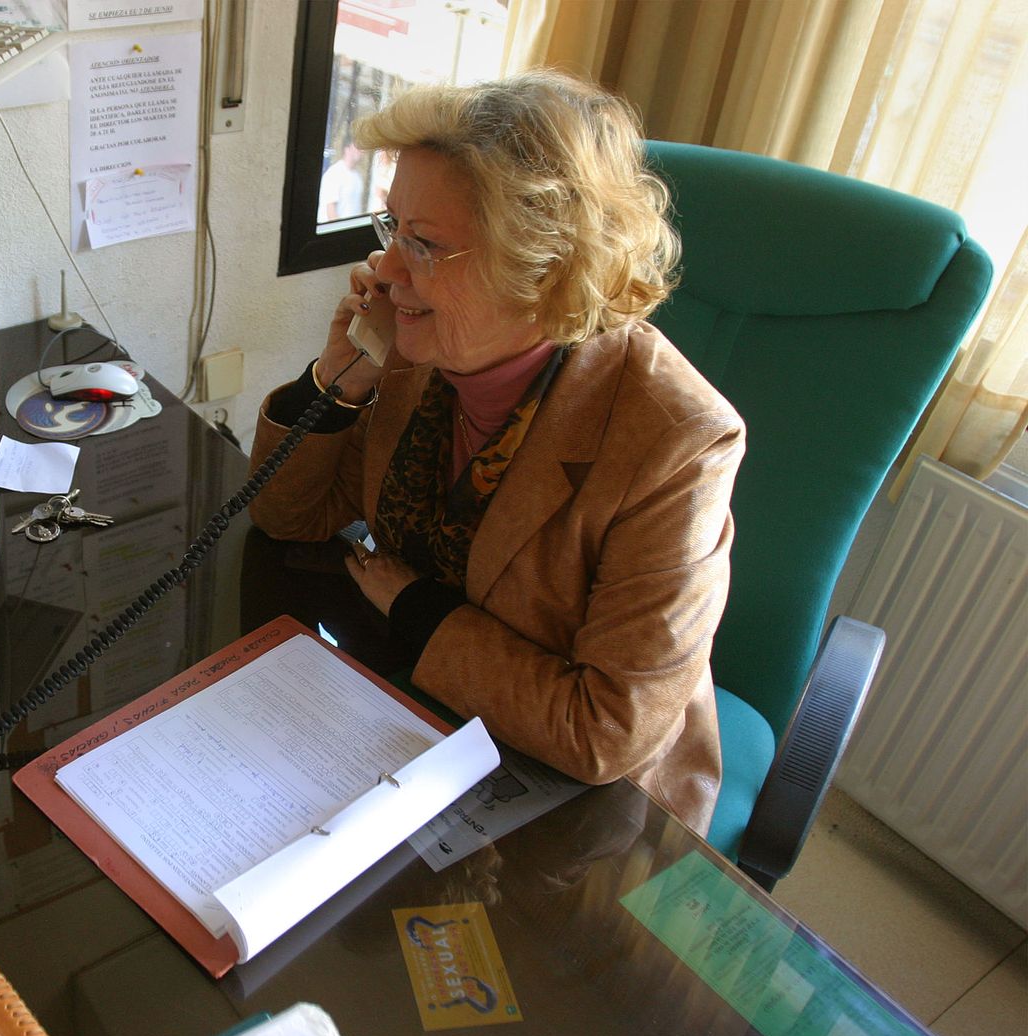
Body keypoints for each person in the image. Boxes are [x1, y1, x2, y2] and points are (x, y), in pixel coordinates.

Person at [248, 71, 744, 834]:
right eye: (392, 230)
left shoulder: (676, 442)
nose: (384, 272)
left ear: (540, 266)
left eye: (424, 244)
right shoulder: (426, 349)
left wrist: (417, 607)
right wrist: (340, 382)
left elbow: (603, 731)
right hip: (425, 716)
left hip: (586, 814)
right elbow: (291, 515)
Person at [318, 142, 365, 221]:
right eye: (357, 148)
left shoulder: (358, 176)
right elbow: (330, 209)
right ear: (347, 149)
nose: (360, 152)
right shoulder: (334, 173)